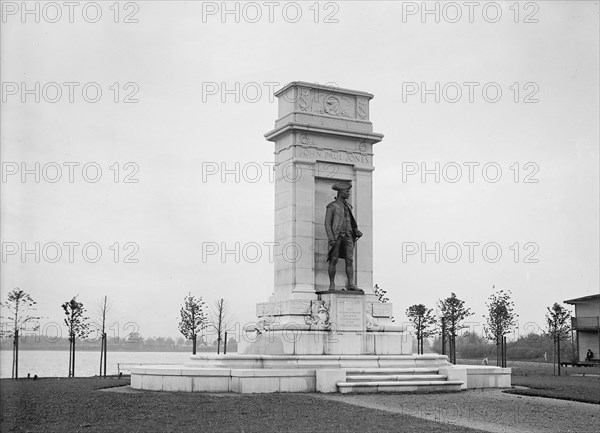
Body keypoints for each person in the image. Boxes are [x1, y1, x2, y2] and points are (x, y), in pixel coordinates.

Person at [325, 181, 362, 291]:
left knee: (350, 260)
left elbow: (350, 221)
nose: (348, 194)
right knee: (334, 259)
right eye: (346, 192)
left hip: (348, 236)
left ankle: (351, 284)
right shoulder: (332, 206)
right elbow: (327, 223)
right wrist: (331, 237)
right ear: (340, 192)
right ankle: (332, 284)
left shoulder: (348, 207)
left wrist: (356, 230)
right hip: (337, 236)